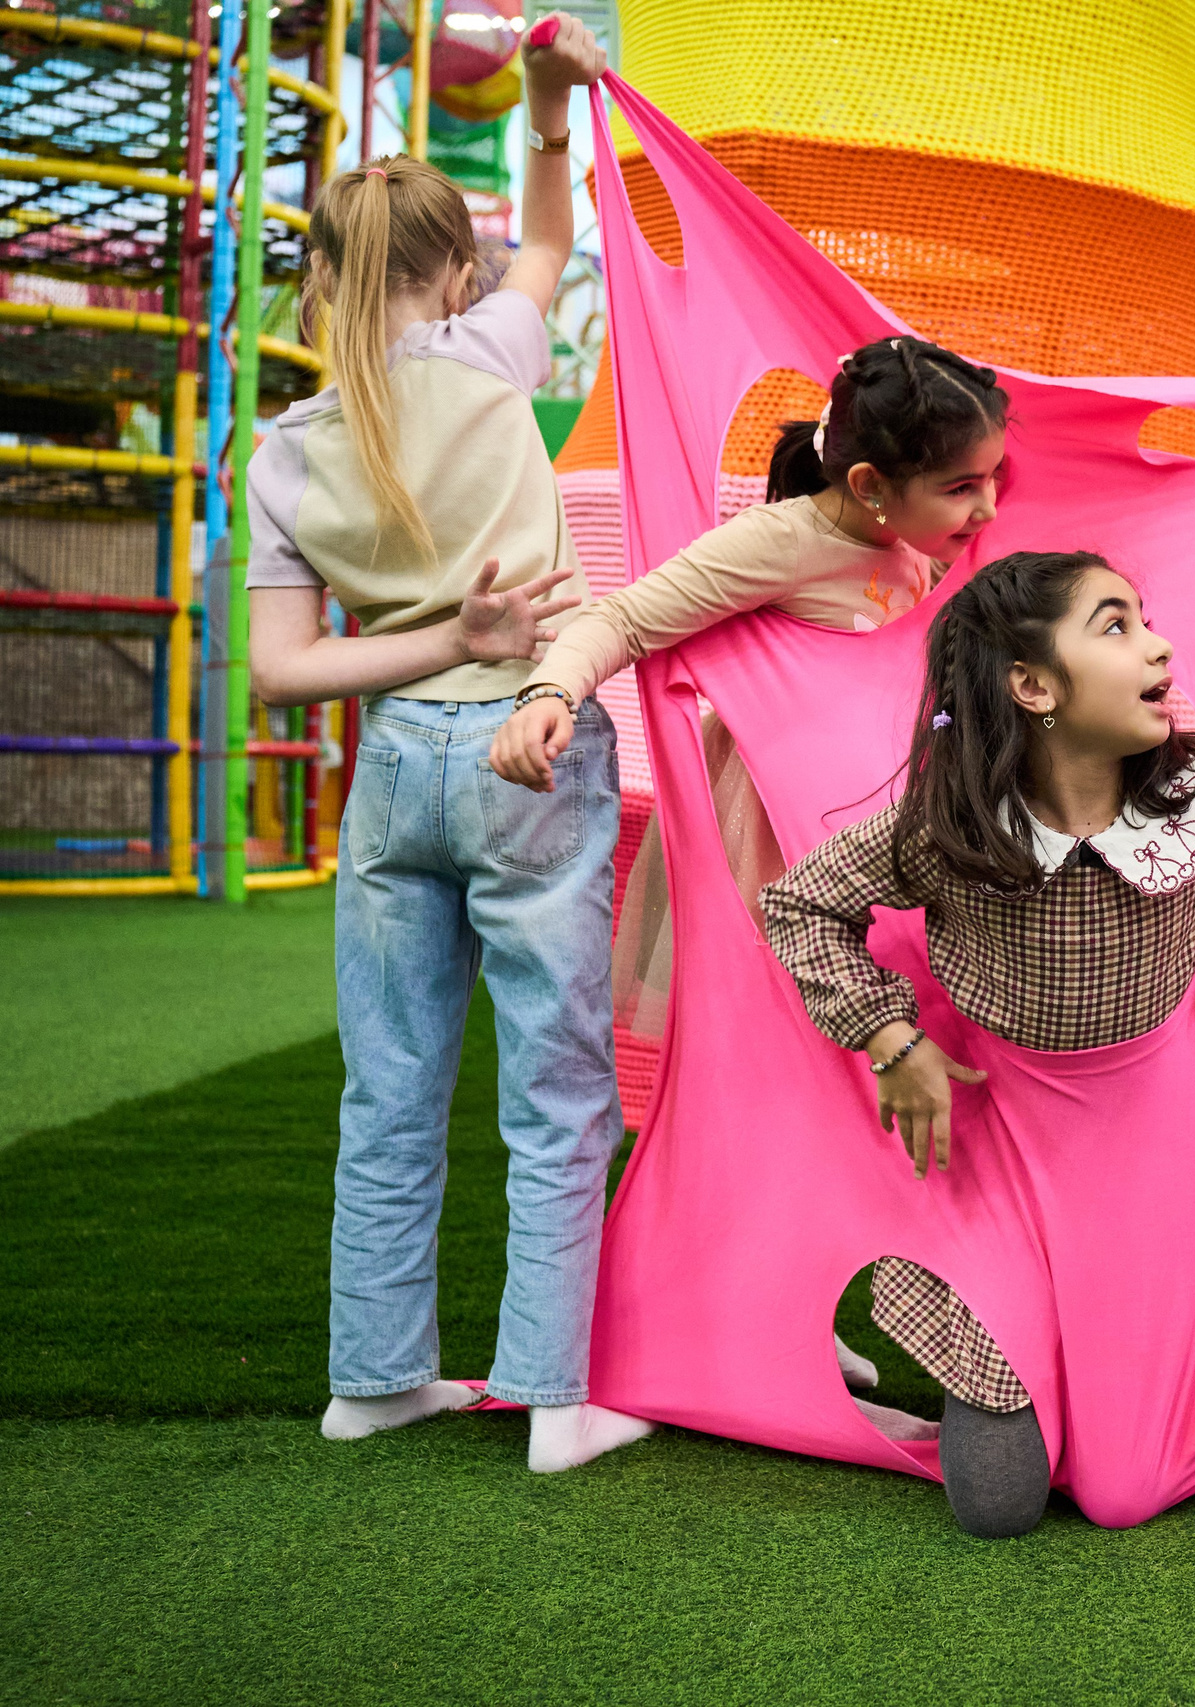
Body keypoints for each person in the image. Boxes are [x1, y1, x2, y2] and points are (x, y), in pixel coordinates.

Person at [761, 549, 1195, 1537]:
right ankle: (1046, 1366)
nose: (1159, 644)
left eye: (1145, 619)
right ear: (1031, 686)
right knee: (999, 1508)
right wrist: (889, 1036)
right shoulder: (949, 833)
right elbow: (799, 905)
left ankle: (1153, 1355)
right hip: (1005, 1146)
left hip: (1159, 1148)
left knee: (1131, 1487)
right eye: (1116, 626)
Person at [244, 16, 655, 1473]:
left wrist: (428, 640)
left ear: (324, 280)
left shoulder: (284, 445)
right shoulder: (492, 349)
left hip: (396, 770)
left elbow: (285, 672)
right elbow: (550, 228)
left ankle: (371, 1376)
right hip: (528, 750)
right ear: (456, 274)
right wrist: (549, 107)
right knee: (554, 1085)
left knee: (392, 1081)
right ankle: (553, 1397)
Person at [489, 336, 1008, 1035]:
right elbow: (623, 617)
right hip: (783, 839)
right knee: (792, 1030)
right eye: (961, 487)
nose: (989, 507)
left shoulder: (914, 541)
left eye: (992, 477)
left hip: (880, 819)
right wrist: (548, 694)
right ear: (869, 485)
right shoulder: (784, 541)